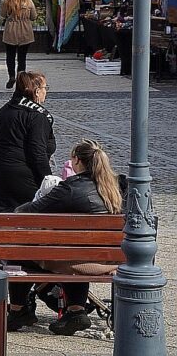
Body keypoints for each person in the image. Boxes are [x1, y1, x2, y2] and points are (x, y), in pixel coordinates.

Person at [8, 139, 123, 335]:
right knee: (73, 250)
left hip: (79, 261)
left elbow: (29, 212)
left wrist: (18, 210)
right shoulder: (118, 187)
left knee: (18, 251)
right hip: (111, 260)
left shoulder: (71, 188)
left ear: (77, 160)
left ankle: (18, 311)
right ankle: (75, 311)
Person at [0, 71, 55, 213]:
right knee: (27, 213)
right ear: (37, 91)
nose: (46, 92)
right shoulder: (37, 117)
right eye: (45, 88)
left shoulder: (6, 109)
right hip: (21, 174)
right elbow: (37, 154)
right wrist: (48, 181)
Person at [1, 0, 37, 88]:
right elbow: (33, 17)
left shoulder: (7, 2)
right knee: (22, 58)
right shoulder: (29, 2)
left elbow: (3, 14)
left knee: (10, 56)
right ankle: (20, 79)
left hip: (11, 30)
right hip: (25, 31)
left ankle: (11, 76)